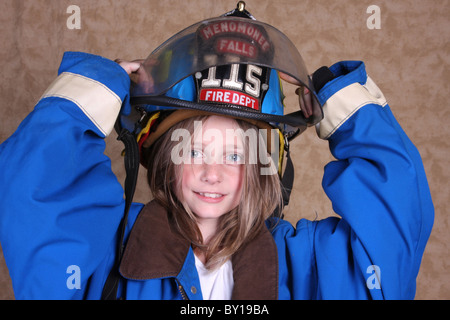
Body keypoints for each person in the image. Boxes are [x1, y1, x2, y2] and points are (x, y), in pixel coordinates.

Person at [0, 3, 434, 300]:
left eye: (235, 156)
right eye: (195, 151)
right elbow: (34, 196)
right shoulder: (111, 248)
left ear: (265, 167)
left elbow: (393, 235)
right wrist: (98, 85)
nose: (213, 173)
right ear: (167, 157)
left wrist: (342, 104)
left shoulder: (303, 263)